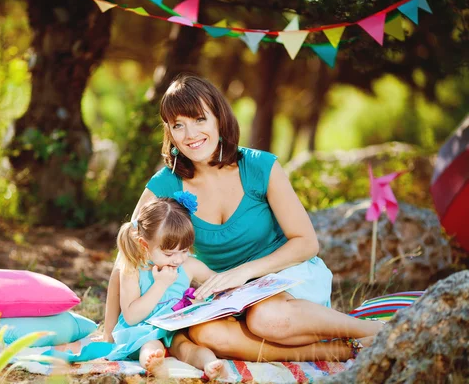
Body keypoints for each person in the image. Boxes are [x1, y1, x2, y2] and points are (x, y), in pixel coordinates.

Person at [104, 74, 384, 362]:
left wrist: (244, 272)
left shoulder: (260, 166)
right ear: (170, 132)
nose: (190, 135)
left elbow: (306, 243)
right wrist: (109, 332)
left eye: (199, 119)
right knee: (206, 336)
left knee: (266, 319)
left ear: (219, 119)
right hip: (224, 297)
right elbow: (128, 253)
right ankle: (338, 350)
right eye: (178, 125)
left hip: (283, 278)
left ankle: (377, 331)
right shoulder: (166, 184)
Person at [108, 195, 229, 379]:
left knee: (187, 348)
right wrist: (161, 284)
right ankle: (153, 362)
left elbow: (219, 283)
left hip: (175, 329)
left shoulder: (188, 266)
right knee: (151, 346)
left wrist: (205, 298)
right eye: (169, 253)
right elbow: (132, 316)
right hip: (144, 330)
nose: (178, 259)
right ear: (144, 245)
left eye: (184, 250)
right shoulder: (133, 270)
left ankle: (210, 364)